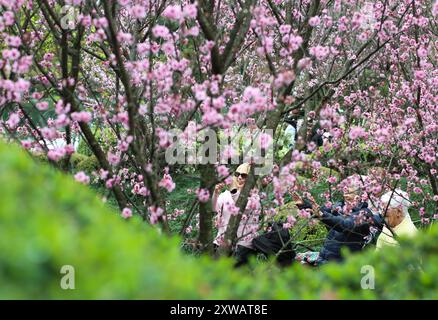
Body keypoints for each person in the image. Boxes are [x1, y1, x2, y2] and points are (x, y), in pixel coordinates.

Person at [292, 175, 384, 265]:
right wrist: (303, 204)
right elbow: (320, 211)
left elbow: (344, 225)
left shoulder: (365, 214)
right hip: (325, 259)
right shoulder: (339, 206)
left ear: (360, 194)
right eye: (345, 191)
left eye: (349, 192)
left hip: (342, 264)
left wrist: (321, 214)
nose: (345, 195)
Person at [212, 163, 260, 267]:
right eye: (237, 174)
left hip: (243, 245)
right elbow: (213, 208)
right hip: (222, 241)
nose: (239, 177)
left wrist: (234, 192)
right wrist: (216, 193)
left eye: (244, 175)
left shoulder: (254, 197)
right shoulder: (226, 194)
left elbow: (243, 208)